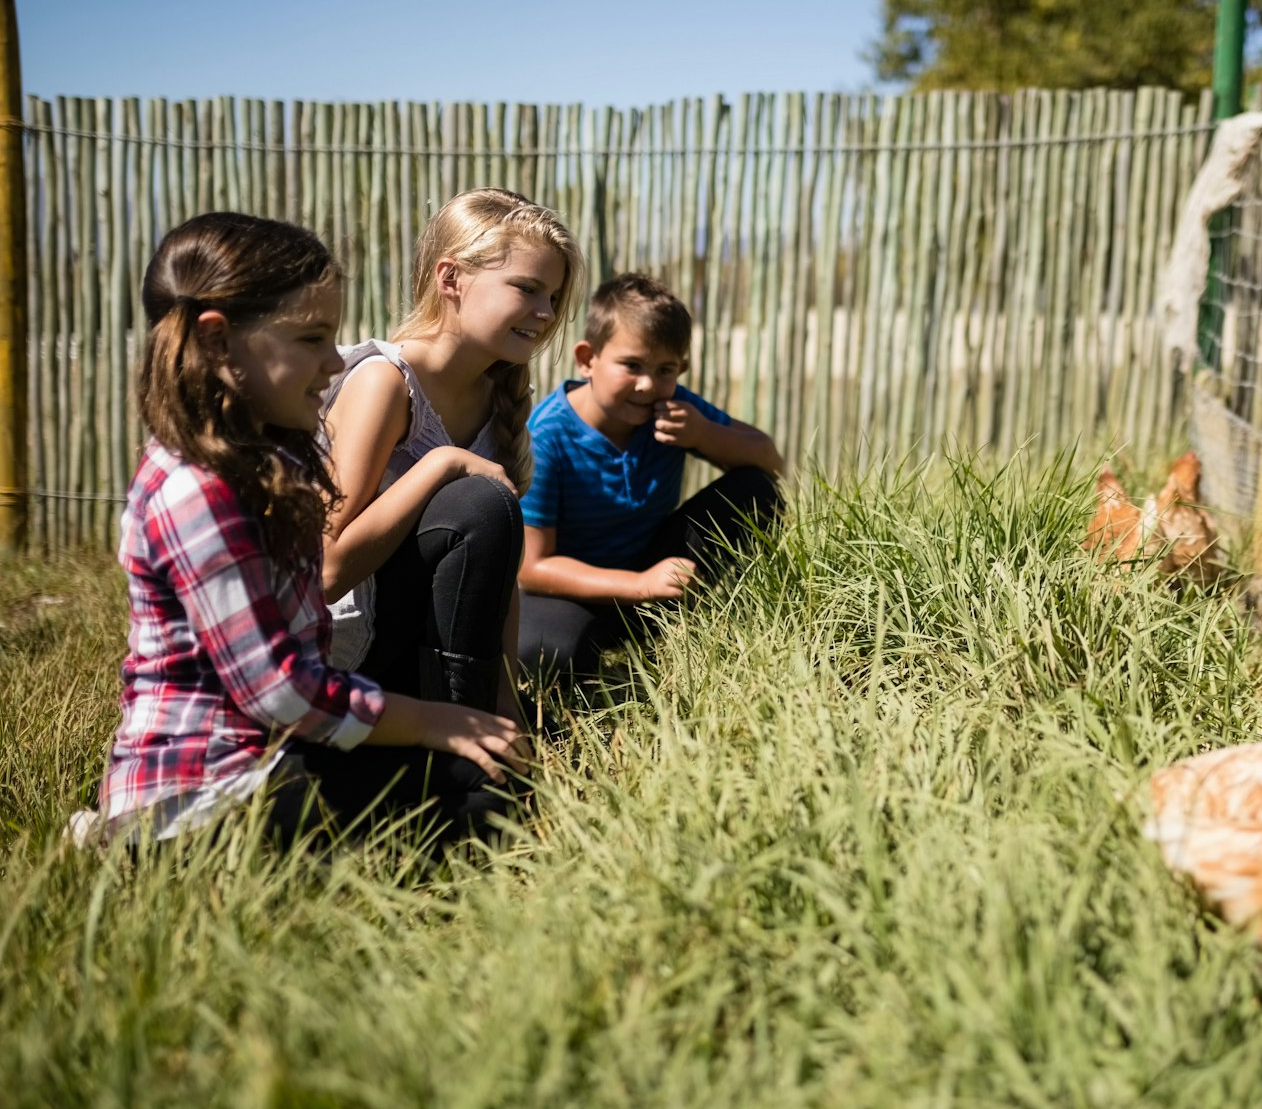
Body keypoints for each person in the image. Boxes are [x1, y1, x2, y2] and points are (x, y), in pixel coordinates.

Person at [85, 212, 529, 847]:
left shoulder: (276, 458)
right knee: (464, 815)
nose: (334, 361)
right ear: (218, 343)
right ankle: (120, 843)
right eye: (312, 339)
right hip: (202, 795)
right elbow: (280, 691)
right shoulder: (193, 491)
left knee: (484, 798)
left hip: (287, 755)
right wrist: (437, 721)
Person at [320, 188, 583, 717]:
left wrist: (508, 707)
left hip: (427, 653)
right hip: (342, 655)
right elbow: (325, 573)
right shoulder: (386, 384)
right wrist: (443, 464)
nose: (546, 312)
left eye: (553, 297)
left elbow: (499, 577)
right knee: (478, 501)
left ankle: (476, 727)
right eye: (527, 288)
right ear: (451, 279)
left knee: (486, 506)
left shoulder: (498, 400)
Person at [517, 272, 783, 677]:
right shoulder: (547, 435)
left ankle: (684, 622)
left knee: (756, 489)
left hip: (652, 577)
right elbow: (532, 569)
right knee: (550, 650)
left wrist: (702, 433)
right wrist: (638, 584)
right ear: (588, 359)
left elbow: (769, 460)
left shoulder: (673, 410)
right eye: (632, 365)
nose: (647, 385)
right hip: (571, 593)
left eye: (665, 369)